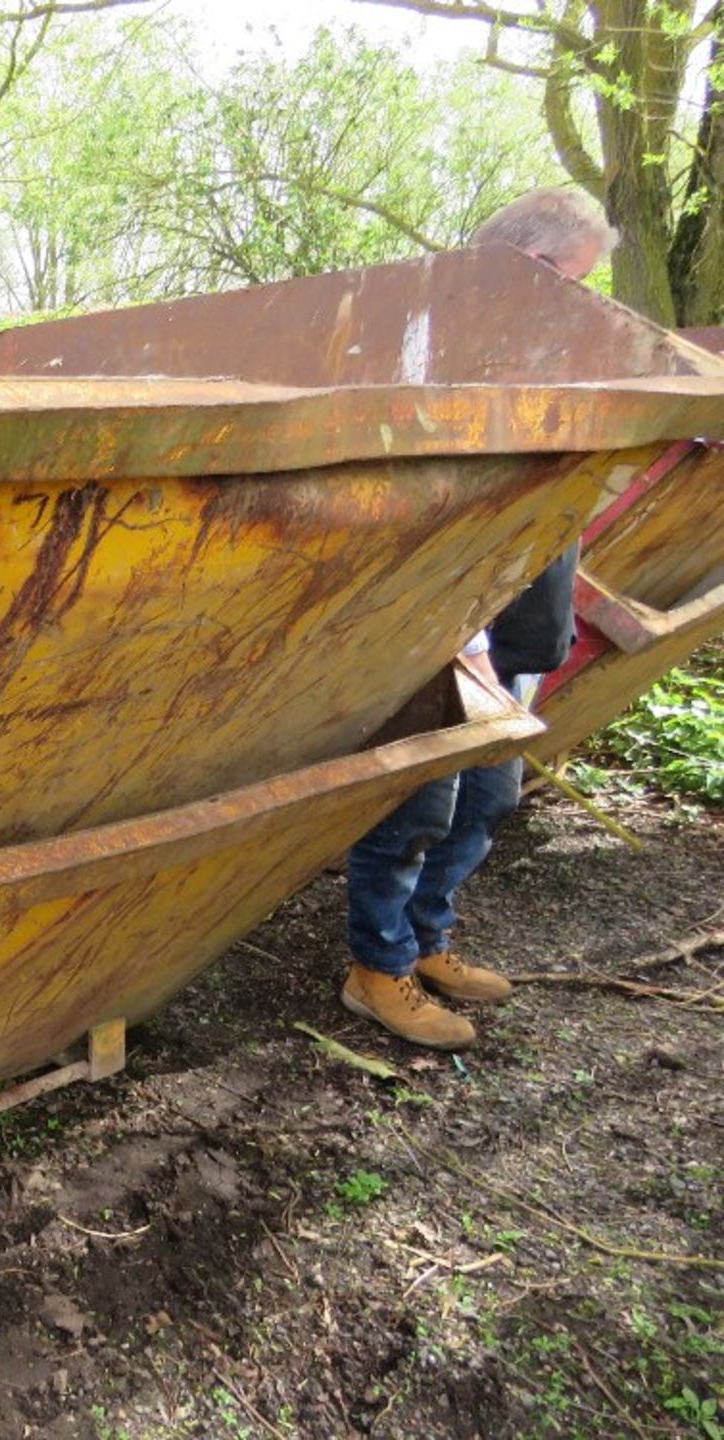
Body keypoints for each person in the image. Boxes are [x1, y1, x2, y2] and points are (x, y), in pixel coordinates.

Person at [340, 188, 621, 1050]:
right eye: (578, 283)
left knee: (489, 796)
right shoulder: (420, 347)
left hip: (491, 629)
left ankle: (427, 942)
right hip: (425, 631)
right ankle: (375, 967)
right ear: (530, 268)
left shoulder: (531, 361)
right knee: (414, 808)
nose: (588, 303)